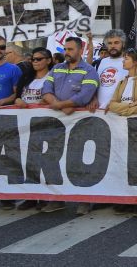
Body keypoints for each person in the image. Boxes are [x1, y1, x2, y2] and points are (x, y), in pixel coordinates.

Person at [39, 36, 99, 215]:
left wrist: (61, 105)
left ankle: (84, 200)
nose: (66, 52)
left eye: (70, 49)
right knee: (53, 160)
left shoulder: (89, 71)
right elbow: (45, 90)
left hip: (79, 124)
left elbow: (85, 96)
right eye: (65, 49)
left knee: (79, 161)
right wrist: (60, 105)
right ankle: (57, 199)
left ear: (80, 50)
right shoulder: (56, 68)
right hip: (56, 123)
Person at [107, 50, 137, 216]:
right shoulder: (121, 82)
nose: (123, 61)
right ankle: (124, 200)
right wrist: (129, 106)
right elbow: (112, 104)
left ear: (135, 62)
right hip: (120, 129)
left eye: (126, 59)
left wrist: (124, 109)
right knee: (121, 164)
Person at [93, 29, 128, 110]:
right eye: (110, 43)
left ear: (123, 44)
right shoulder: (101, 62)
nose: (113, 46)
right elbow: (95, 84)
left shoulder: (130, 62)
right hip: (99, 111)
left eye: (116, 43)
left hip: (118, 110)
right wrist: (93, 98)